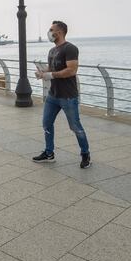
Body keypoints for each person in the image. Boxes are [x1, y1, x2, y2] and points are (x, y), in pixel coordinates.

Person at [33, 20, 91, 169]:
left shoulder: (70, 48)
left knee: (75, 126)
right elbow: (53, 68)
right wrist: (43, 72)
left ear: (59, 32)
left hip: (68, 96)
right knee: (46, 123)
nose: (49, 33)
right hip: (53, 95)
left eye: (51, 30)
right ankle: (49, 153)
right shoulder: (52, 51)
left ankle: (85, 155)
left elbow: (71, 70)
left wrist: (50, 75)